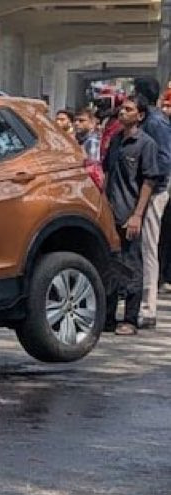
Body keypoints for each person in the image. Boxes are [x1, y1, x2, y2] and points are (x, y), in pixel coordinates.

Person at [103, 96, 160, 336]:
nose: (122, 113)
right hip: (110, 213)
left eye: (129, 109)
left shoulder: (146, 144)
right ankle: (107, 317)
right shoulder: (116, 140)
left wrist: (137, 215)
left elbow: (149, 181)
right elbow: (107, 173)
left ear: (140, 115)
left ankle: (130, 319)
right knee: (111, 265)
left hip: (130, 213)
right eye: (122, 109)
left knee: (132, 265)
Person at [131, 77, 171, 328]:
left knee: (148, 246)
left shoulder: (156, 123)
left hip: (154, 191)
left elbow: (164, 159)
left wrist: (150, 184)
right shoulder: (149, 120)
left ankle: (148, 308)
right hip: (142, 190)